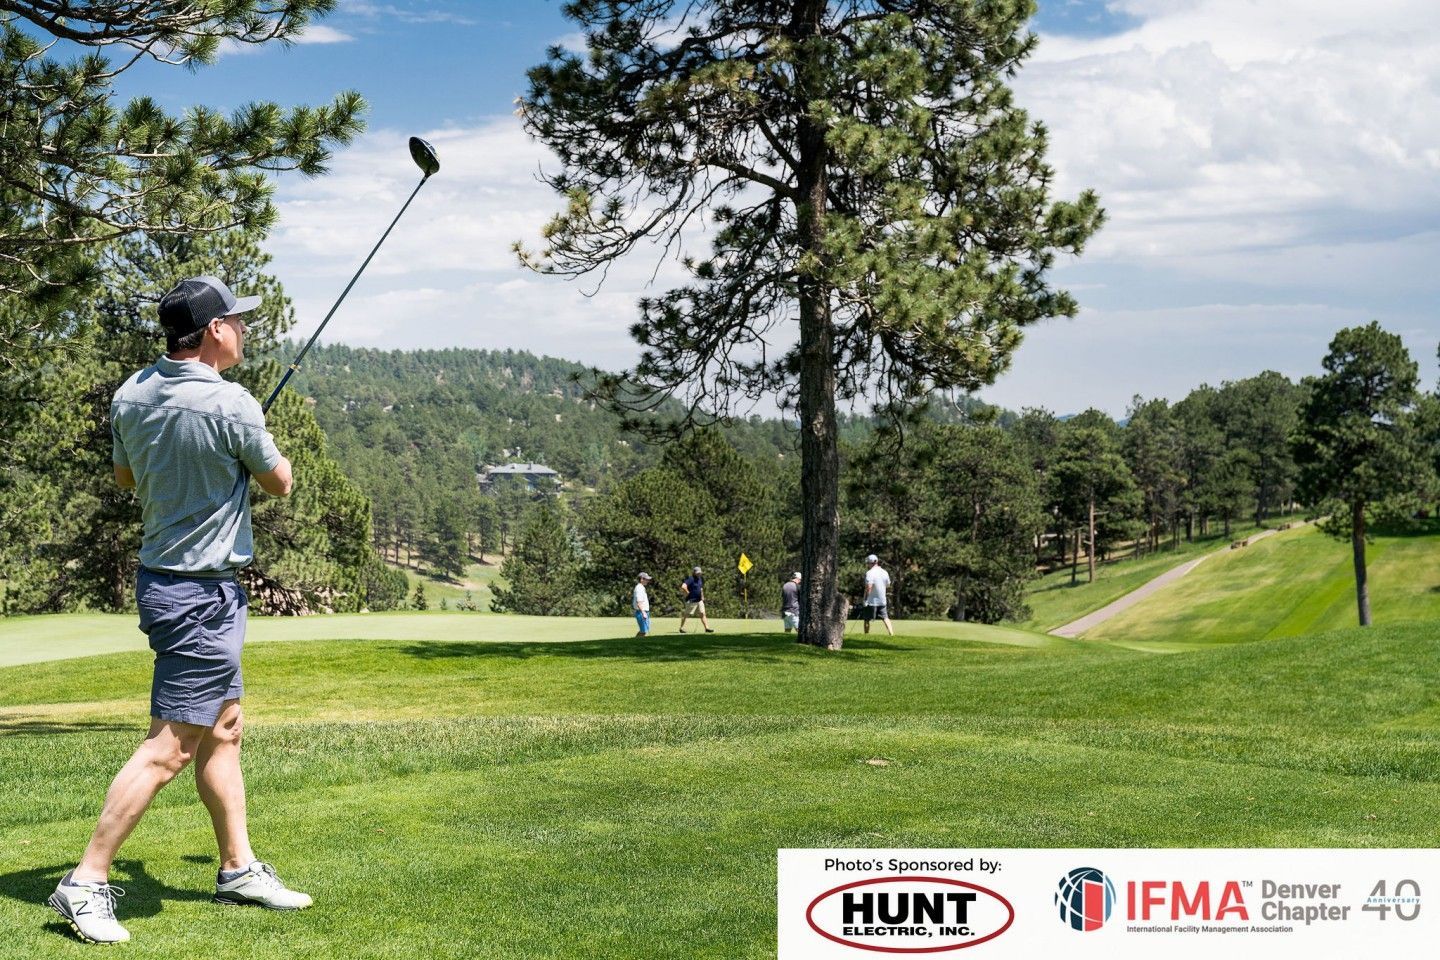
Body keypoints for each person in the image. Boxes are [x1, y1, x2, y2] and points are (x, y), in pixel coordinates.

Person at [49, 277, 310, 946]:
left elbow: (126, 478)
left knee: (224, 730)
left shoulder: (133, 392)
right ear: (215, 330)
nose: (245, 330)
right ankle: (86, 880)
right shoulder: (234, 405)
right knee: (170, 747)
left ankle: (237, 868)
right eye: (238, 321)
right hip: (200, 595)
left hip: (174, 585)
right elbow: (280, 483)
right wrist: (240, 441)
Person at [862, 554, 893, 636]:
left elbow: (869, 587)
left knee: (867, 619)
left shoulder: (869, 573)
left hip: (871, 601)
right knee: (885, 618)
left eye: (868, 563)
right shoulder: (884, 572)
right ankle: (891, 634)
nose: (867, 565)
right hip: (882, 600)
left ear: (870, 563)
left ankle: (866, 635)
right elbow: (888, 585)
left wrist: (865, 599)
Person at [677, 565, 715, 633]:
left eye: (699, 572)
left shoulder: (700, 579)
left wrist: (702, 596)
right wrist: (687, 592)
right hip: (691, 601)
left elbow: (700, 588)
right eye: (697, 573)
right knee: (686, 615)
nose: (699, 574)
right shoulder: (691, 579)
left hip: (699, 600)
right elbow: (683, 586)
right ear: (694, 572)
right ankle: (681, 628)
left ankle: (707, 628)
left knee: (703, 613)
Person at [633, 572, 653, 636]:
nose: (648, 581)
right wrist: (643, 613)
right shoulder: (639, 588)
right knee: (643, 631)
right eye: (646, 579)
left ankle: (634, 641)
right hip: (641, 612)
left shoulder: (641, 587)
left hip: (643, 611)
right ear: (642, 579)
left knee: (643, 631)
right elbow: (639, 602)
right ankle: (635, 643)